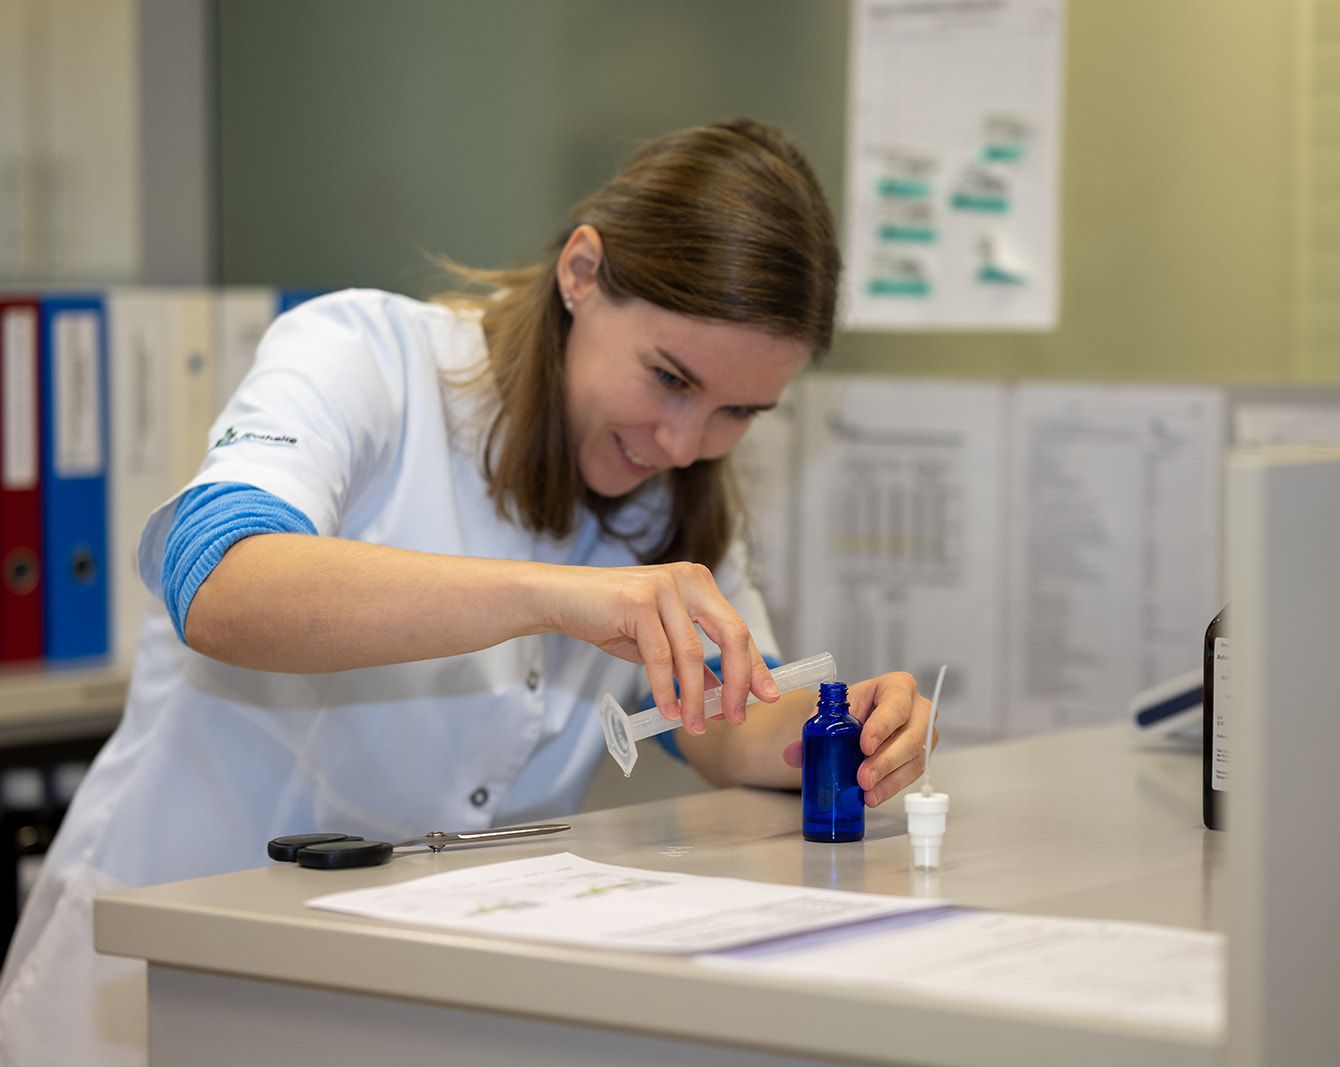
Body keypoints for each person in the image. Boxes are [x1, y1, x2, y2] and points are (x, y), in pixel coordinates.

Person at [0, 119, 937, 1066]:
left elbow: (721, 712)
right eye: (669, 377)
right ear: (581, 273)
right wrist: (550, 595)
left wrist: (834, 730)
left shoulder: (669, 497)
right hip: (164, 978)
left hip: (410, 988)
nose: (684, 443)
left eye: (739, 411)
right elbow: (216, 579)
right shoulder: (367, 357)